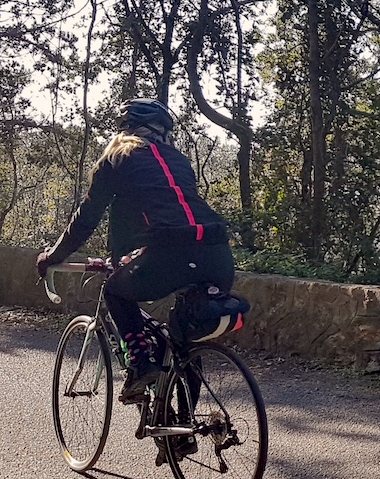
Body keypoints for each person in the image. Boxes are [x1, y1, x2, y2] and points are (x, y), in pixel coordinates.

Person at [36, 98, 233, 403]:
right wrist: (122, 257)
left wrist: (53, 256)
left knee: (115, 291)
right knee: (184, 341)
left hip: (169, 254)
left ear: (124, 129)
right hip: (218, 253)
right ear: (164, 132)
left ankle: (140, 364)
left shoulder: (117, 157)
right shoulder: (179, 161)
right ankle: (183, 431)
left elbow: (87, 218)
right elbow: (158, 211)